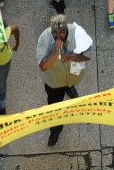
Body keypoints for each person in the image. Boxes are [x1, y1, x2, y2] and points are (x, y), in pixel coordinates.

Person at [36, 13, 92, 146]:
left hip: (73, 74)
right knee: (54, 107)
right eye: (55, 32)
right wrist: (55, 53)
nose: (59, 35)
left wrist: (73, 56)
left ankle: (69, 86)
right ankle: (55, 129)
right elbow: (43, 66)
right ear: (51, 30)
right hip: (54, 82)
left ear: (67, 28)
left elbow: (87, 57)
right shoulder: (44, 38)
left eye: (62, 32)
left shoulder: (77, 33)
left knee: (70, 82)